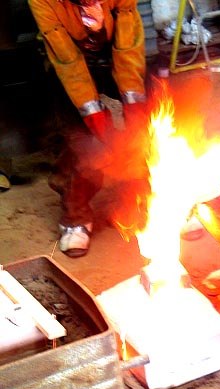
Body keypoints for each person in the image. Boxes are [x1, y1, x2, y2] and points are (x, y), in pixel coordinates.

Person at [28, 0, 150, 257]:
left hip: (112, 46)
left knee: (154, 110)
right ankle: (76, 218)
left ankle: (155, 196)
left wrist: (135, 109)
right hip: (66, 57)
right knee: (80, 141)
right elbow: (68, 62)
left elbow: (127, 44)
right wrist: (98, 122)